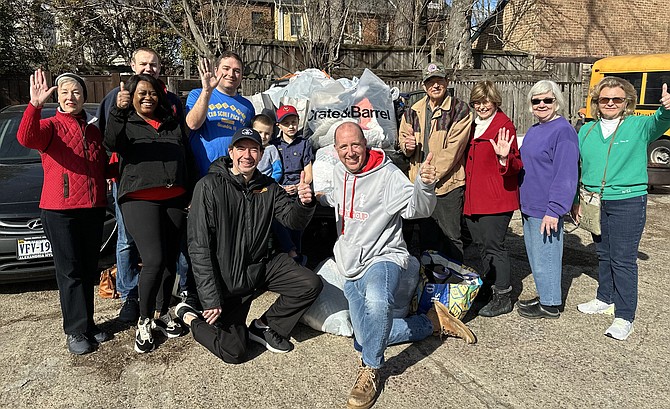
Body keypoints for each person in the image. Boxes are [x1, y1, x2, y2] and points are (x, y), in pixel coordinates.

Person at [318, 122, 475, 409]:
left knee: (378, 305)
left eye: (355, 144)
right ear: (335, 150)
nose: (350, 152)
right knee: (364, 337)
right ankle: (431, 322)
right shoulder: (339, 172)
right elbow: (334, 198)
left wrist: (425, 185)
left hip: (384, 256)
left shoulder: (387, 174)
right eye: (343, 147)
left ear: (365, 143)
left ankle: (371, 371)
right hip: (350, 263)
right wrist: (312, 195)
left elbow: (418, 208)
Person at [176, 127, 322, 363]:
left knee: (310, 284)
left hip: (260, 267)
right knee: (234, 353)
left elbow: (291, 220)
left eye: (254, 149)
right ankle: (189, 316)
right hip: (228, 281)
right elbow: (199, 247)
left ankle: (264, 326)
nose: (247, 155)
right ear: (231, 152)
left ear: (262, 154)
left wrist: (305, 204)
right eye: (241, 149)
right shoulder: (208, 186)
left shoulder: (268, 187)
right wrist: (210, 298)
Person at [17, 70, 111, 355]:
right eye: (65, 92)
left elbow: (102, 168)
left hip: (92, 210)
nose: (71, 97)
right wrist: (34, 106)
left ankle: (88, 323)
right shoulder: (49, 126)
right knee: (69, 271)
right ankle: (75, 330)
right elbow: (26, 138)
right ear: (57, 96)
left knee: (86, 269)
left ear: (84, 97)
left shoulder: (94, 131)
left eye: (77, 92)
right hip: (60, 211)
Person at [574, 78, 670, 340]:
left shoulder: (638, 125)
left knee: (623, 260)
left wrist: (667, 109)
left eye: (617, 99)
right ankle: (605, 297)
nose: (611, 104)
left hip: (627, 200)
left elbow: (660, 121)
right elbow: (579, 167)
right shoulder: (587, 131)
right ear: (597, 102)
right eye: (605, 99)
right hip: (594, 200)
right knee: (603, 253)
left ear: (627, 102)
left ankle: (625, 315)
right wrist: (576, 201)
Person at [103, 74, 192, 353]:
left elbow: (186, 159)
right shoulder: (126, 122)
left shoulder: (171, 123)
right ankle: (144, 320)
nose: (147, 97)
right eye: (141, 93)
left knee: (168, 261)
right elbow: (110, 144)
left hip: (175, 198)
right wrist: (118, 110)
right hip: (139, 198)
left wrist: (188, 194)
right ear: (132, 96)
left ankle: (162, 312)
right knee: (153, 259)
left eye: (152, 93)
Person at [516, 80, 579, 320]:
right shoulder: (535, 129)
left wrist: (555, 209)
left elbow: (566, 174)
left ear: (557, 102)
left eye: (547, 100)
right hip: (530, 203)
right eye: (536, 100)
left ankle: (551, 304)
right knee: (537, 255)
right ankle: (545, 293)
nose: (542, 104)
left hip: (546, 207)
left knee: (548, 255)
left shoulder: (563, 131)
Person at [398, 62, 473, 263]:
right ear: (424, 86)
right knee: (427, 238)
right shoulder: (413, 111)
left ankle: (453, 284)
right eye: (431, 82)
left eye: (439, 80)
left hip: (448, 185)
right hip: (420, 186)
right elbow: (403, 141)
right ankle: (430, 284)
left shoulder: (460, 110)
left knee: (450, 237)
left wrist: (431, 176)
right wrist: (408, 146)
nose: (435, 85)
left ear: (447, 82)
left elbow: (453, 151)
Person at [463, 81, 522, 317]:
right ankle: (488, 287)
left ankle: (503, 296)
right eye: (477, 102)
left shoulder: (503, 126)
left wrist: (503, 158)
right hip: (474, 198)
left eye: (485, 101)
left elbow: (517, 164)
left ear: (495, 101)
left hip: (494, 199)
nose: (481, 106)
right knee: (482, 246)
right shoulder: (472, 125)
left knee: (495, 247)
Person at [185, 52, 255, 177]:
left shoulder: (247, 107)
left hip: (232, 175)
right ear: (216, 70)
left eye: (237, 71)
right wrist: (207, 90)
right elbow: (193, 124)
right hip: (201, 173)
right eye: (226, 69)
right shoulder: (197, 94)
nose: (231, 74)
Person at [272, 105, 313, 263]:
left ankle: (296, 254)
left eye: (294, 122)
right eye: (286, 123)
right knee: (277, 219)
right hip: (279, 189)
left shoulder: (304, 144)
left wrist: (298, 186)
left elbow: (308, 174)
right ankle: (290, 254)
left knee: (298, 219)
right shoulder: (273, 146)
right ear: (279, 125)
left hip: (298, 188)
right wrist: (280, 187)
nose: (291, 126)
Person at [252, 112, 282, 182]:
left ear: (272, 133)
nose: (263, 136)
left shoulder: (272, 149)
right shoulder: (249, 148)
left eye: (267, 133)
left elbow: (278, 170)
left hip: (266, 185)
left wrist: (270, 183)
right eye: (260, 132)